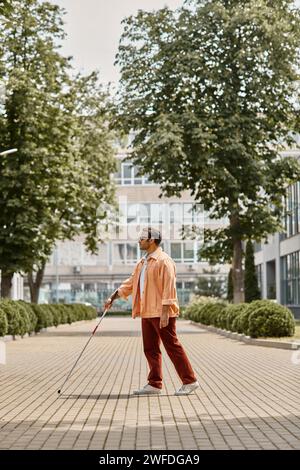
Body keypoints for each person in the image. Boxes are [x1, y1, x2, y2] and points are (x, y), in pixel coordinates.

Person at [104, 227, 199, 396]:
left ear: (152, 240)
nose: (139, 241)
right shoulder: (143, 262)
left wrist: (164, 312)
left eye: (142, 238)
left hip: (162, 313)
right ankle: (154, 384)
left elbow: (168, 288)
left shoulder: (164, 261)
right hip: (147, 312)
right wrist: (113, 297)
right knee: (150, 349)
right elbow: (131, 283)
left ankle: (190, 381)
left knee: (172, 347)